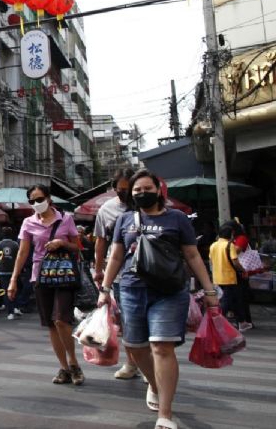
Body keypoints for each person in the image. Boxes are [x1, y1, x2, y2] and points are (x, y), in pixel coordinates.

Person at [99, 170, 219, 429]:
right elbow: (116, 257)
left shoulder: (177, 218)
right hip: (131, 289)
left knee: (161, 347)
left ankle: (165, 414)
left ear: (159, 190)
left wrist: (210, 291)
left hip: (169, 292)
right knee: (135, 345)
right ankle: (153, 384)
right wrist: (105, 289)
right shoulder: (124, 220)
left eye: (147, 189)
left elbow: (193, 255)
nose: (142, 193)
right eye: (136, 190)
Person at [7, 184, 84, 385]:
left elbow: (78, 247)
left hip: (64, 274)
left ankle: (74, 363)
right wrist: (13, 279)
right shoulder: (28, 222)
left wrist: (62, 243)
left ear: (49, 199)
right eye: (32, 201)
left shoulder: (65, 219)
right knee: (51, 324)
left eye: (39, 199)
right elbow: (23, 252)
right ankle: (64, 367)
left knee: (61, 319)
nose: (36, 204)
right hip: (40, 276)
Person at [92, 168, 141, 380]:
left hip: (152, 274)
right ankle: (133, 363)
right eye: (120, 190)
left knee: (147, 321)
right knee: (127, 322)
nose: (124, 194)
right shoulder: (107, 210)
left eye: (128, 189)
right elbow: (101, 241)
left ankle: (150, 362)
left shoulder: (149, 206)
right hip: (121, 275)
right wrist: (100, 269)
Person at [209, 222, 250, 331]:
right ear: (230, 234)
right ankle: (218, 321)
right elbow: (235, 262)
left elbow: (211, 260)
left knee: (233, 299)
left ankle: (242, 322)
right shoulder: (229, 245)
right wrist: (242, 270)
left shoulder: (213, 245)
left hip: (218, 277)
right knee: (227, 301)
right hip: (229, 277)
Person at [0, 227, 22, 320]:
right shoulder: (15, 244)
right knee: (16, 289)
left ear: (2, 234)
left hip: (2, 270)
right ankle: (16, 307)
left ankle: (10, 312)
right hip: (14, 270)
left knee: (7, 291)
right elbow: (19, 257)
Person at [233, 233, 254, 330]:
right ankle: (243, 321)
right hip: (236, 273)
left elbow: (235, 253)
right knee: (237, 298)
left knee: (240, 298)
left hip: (240, 272)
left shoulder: (241, 239)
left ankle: (243, 321)